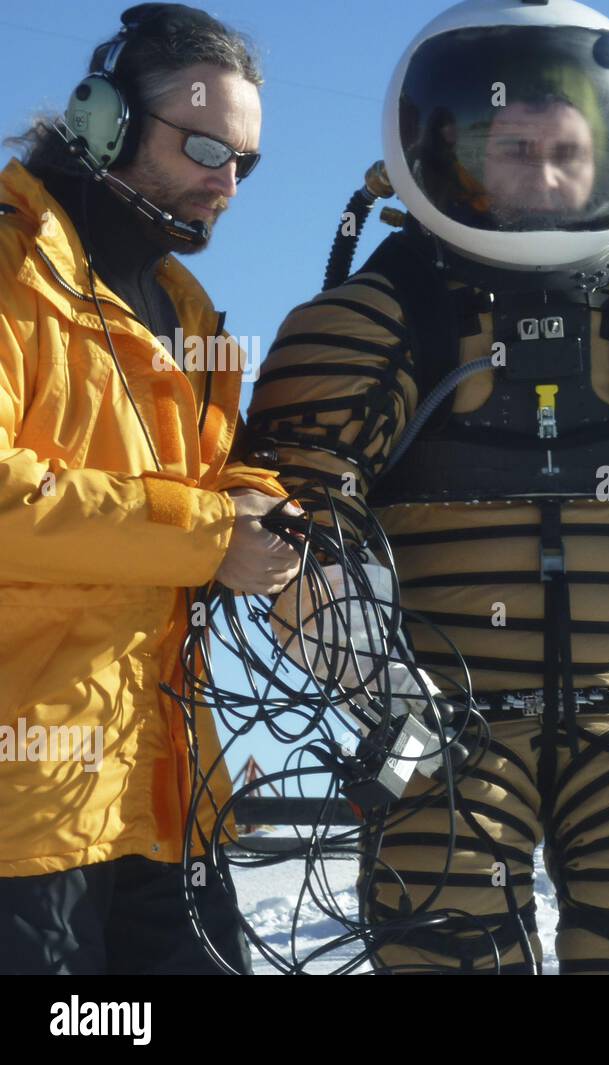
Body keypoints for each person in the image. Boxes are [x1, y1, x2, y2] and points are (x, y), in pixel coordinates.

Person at [247, 0, 609, 975]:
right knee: (441, 933)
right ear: (450, 154)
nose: (542, 173)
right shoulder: (361, 324)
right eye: (512, 148)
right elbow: (302, 513)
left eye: (564, 150)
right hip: (439, 717)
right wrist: (371, 675)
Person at [0, 4, 296, 975]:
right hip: (25, 817)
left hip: (167, 790)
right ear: (104, 122)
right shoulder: (10, 269)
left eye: (245, 164)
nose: (227, 182)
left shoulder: (187, 308)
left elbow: (207, 474)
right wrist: (214, 534)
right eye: (206, 146)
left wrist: (259, 499)